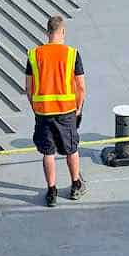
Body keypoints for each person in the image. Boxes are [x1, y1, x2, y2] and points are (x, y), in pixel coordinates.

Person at [26, 15, 87, 207]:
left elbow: (29, 88)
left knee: (48, 152)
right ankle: (76, 185)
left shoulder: (34, 55)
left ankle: (51, 191)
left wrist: (36, 107)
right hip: (66, 111)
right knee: (72, 149)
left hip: (43, 112)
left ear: (47, 32)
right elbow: (81, 87)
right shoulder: (71, 54)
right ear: (63, 32)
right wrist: (78, 108)